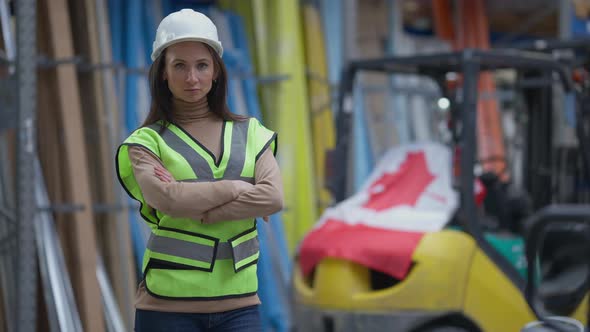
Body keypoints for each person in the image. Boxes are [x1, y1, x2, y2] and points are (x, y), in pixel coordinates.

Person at [115, 9, 283, 332]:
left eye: (201, 66)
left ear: (216, 72)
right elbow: (167, 199)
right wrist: (238, 189)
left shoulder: (252, 133)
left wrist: (204, 207)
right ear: (163, 72)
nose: (192, 78)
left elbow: (273, 197)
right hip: (167, 308)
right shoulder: (146, 142)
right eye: (180, 65)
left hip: (241, 306)